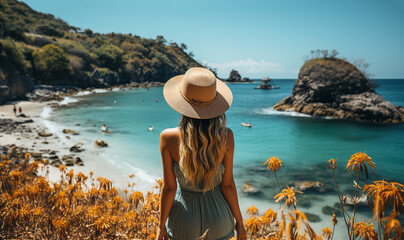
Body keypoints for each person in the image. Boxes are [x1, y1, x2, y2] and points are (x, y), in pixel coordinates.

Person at [157, 67, 246, 240]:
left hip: (184, 219)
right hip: (219, 217)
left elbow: (169, 187)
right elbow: (227, 185)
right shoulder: (226, 136)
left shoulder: (167, 138)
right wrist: (240, 223)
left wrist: (161, 226)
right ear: (215, 104)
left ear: (182, 102)